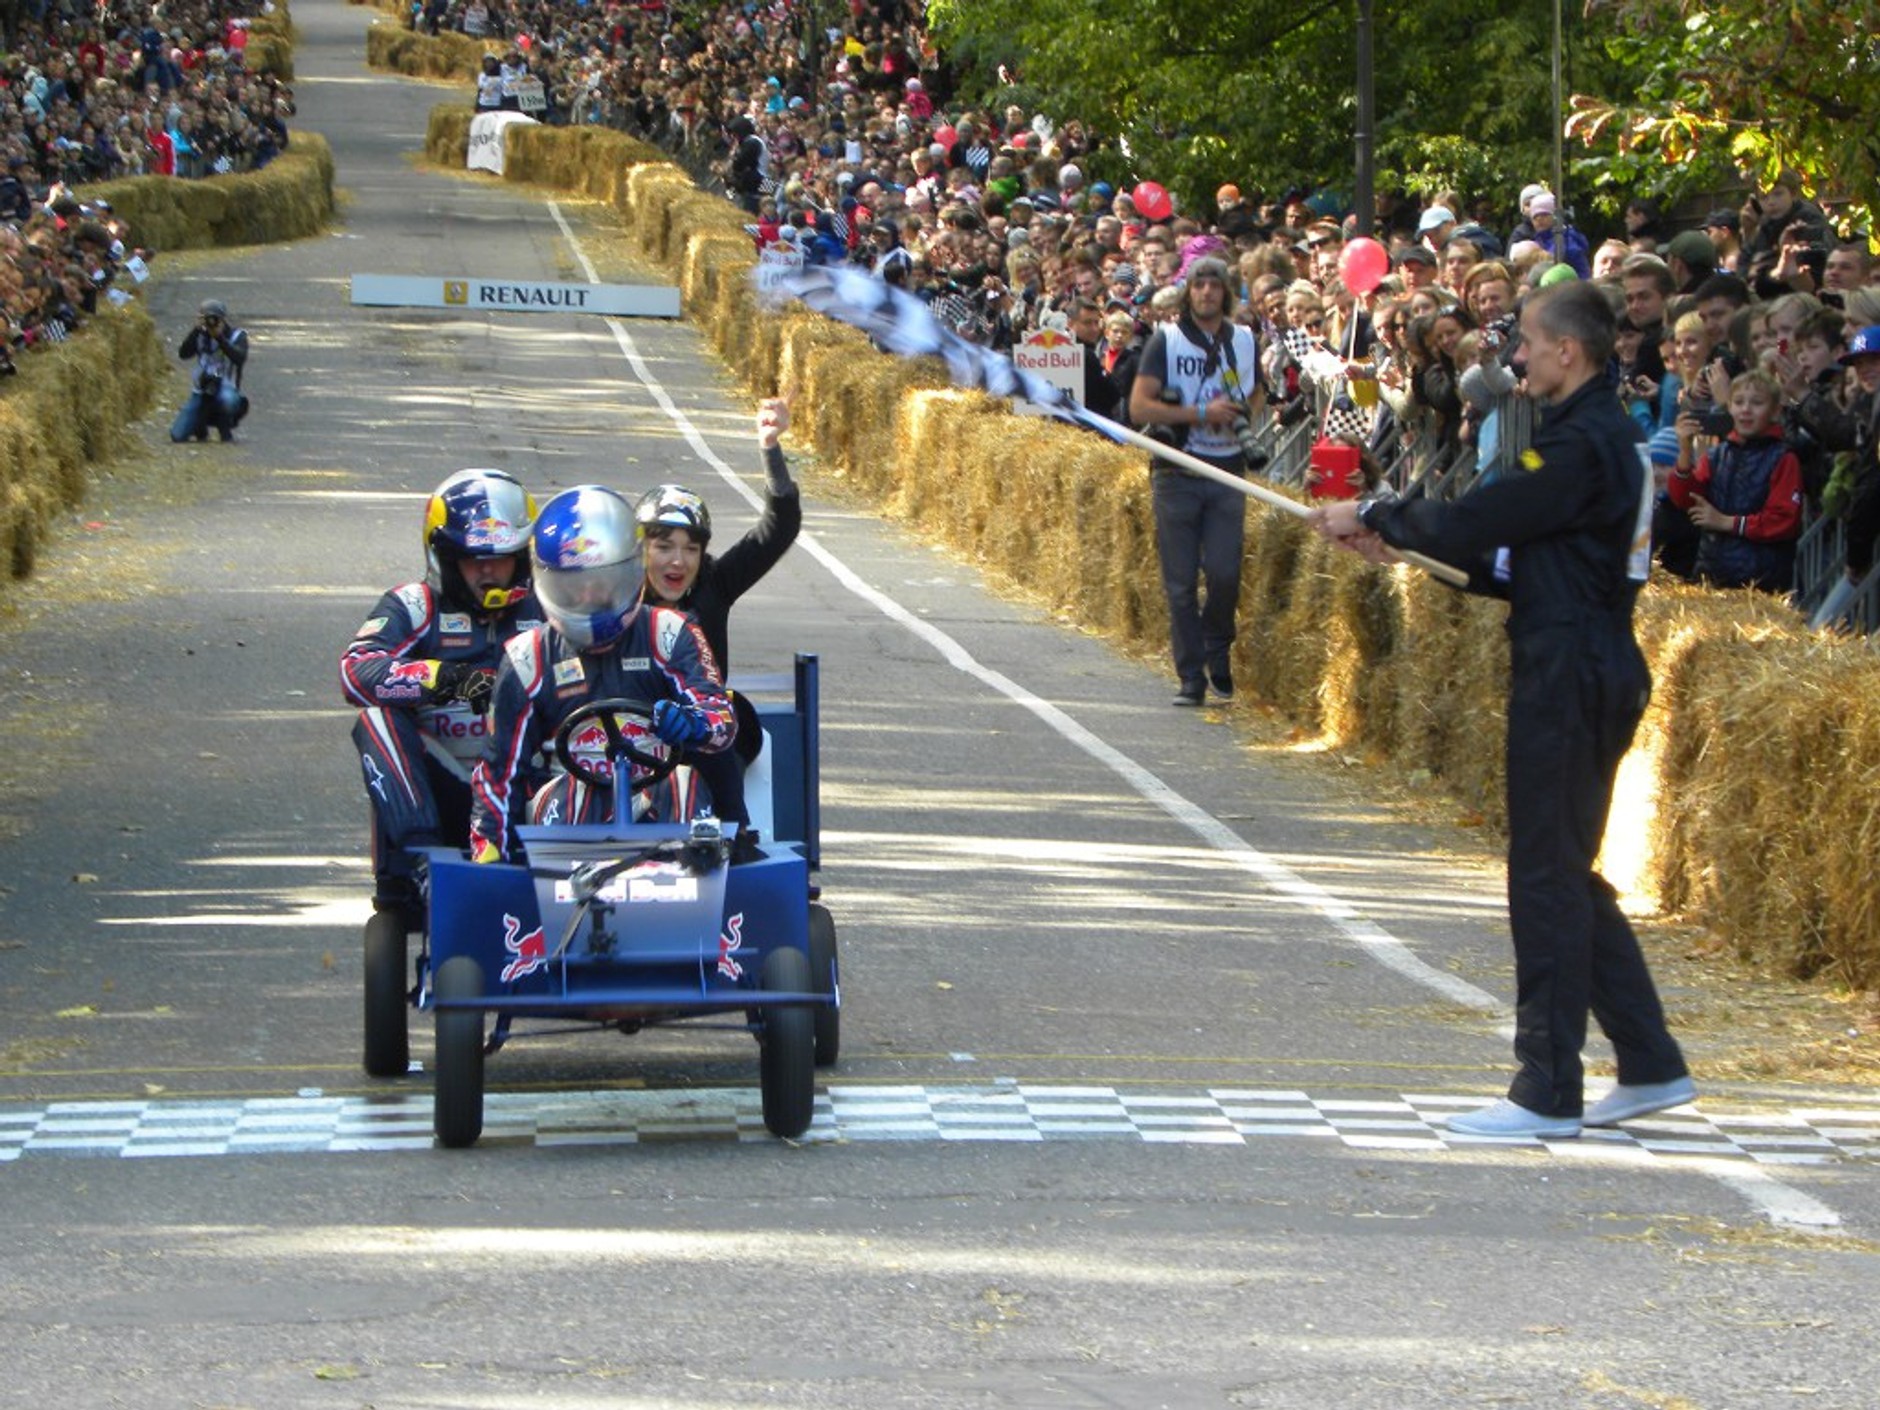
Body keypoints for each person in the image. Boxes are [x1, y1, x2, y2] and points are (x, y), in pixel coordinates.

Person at [1307, 280, 1694, 1138]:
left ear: (1568, 350)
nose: (1517, 356)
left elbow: (1484, 517)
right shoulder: (1587, 437)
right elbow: (1518, 560)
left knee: (1545, 875)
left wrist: (1375, 510)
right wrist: (1400, 543)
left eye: (1528, 342)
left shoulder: (1583, 443)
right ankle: (1650, 1061)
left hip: (1574, 667)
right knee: (1565, 868)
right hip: (1578, 652)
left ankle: (1546, 1088)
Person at [467, 486, 736, 863]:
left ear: (629, 571)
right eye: (574, 584)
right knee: (580, 793)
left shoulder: (671, 631)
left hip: (657, 797)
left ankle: (694, 887)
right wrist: (491, 855)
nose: (590, 594)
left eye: (602, 581)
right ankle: (571, 890)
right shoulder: (527, 656)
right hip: (566, 807)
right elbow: (499, 771)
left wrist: (694, 724)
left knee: (683, 781)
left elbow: (721, 717)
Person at [341, 469, 541, 929]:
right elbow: (355, 672)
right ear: (445, 558)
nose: (488, 571)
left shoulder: (552, 606)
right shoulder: (415, 605)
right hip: (447, 786)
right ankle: (424, 864)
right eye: (473, 560)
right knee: (375, 718)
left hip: (531, 780)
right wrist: (450, 680)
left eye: (501, 559)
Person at [633, 397, 803, 828]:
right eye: (664, 547)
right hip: (631, 731)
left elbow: (778, 529)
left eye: (691, 549)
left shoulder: (715, 585)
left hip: (704, 735)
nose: (678, 561)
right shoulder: (617, 599)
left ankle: (734, 835)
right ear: (640, 550)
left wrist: (770, 447)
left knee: (727, 722)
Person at [1127, 255, 1262, 706]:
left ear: (1226, 292)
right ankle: (1191, 676)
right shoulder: (1165, 340)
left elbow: (1258, 390)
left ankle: (1216, 647)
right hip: (1178, 468)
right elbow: (1139, 407)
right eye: (1199, 285)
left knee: (1225, 572)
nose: (1206, 292)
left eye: (1215, 285)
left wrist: (1242, 414)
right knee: (1181, 582)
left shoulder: (1244, 340)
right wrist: (1200, 413)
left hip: (1227, 467)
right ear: (1189, 292)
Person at [1668, 367, 1804, 593]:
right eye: (1739, 402)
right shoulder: (1717, 455)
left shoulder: (1784, 458)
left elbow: (1784, 520)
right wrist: (1684, 452)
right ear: (1729, 407)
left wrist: (1727, 522)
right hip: (1711, 579)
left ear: (1775, 411)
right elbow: (1685, 500)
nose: (1746, 410)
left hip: (1760, 585)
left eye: (1757, 403)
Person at [170, 298, 248, 443]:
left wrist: (220, 338)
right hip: (201, 389)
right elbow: (183, 354)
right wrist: (196, 330)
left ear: (223, 319)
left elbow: (239, 358)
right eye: (207, 319)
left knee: (226, 400)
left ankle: (225, 428)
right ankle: (200, 427)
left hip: (227, 388)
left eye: (215, 319)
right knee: (177, 435)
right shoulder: (200, 335)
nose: (211, 322)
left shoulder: (237, 335)